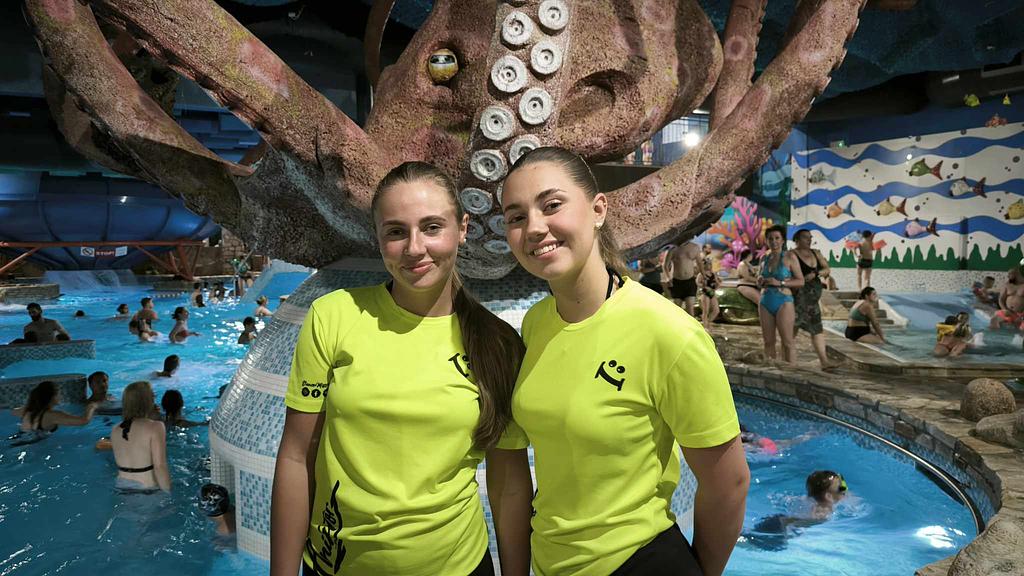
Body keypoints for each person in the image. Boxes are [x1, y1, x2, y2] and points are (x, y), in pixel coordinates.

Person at [271, 162, 532, 576]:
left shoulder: (498, 344)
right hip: (337, 566)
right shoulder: (334, 316)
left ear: (462, 229)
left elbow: (510, 487)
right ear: (378, 238)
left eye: (432, 227)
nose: (414, 248)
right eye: (396, 232)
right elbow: (295, 456)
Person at [501, 147, 749, 576]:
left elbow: (730, 483)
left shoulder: (668, 333)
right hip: (553, 560)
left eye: (552, 205)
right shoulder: (537, 323)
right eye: (516, 217)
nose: (535, 227)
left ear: (598, 210)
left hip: (637, 561)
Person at [110, 381, 171, 493]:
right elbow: (160, 466)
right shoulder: (156, 427)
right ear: (147, 401)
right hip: (147, 489)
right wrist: (168, 493)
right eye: (152, 396)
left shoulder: (115, 429)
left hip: (121, 487)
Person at [791, 229, 838, 370]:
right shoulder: (791, 255)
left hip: (812, 302)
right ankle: (787, 361)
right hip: (796, 300)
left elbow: (827, 269)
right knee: (791, 331)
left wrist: (815, 273)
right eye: (806, 237)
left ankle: (824, 362)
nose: (809, 240)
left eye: (810, 237)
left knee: (817, 330)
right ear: (797, 239)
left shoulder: (816, 253)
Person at [758, 226, 805, 365]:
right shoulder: (764, 258)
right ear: (766, 241)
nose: (774, 241)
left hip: (783, 301)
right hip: (765, 301)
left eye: (777, 238)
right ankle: (771, 372)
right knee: (768, 342)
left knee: (787, 342)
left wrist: (780, 283)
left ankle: (791, 372)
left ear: (783, 240)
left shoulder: (790, 257)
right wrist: (759, 280)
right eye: (770, 238)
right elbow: (759, 277)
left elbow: (800, 281)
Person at [10, 380, 99, 446]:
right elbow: (84, 421)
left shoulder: (27, 410)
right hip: (30, 447)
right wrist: (92, 407)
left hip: (17, 441)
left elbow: (13, 412)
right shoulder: (53, 415)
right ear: (52, 397)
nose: (60, 396)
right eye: (58, 393)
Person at [667, 241, 704, 316]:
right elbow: (665, 265)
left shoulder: (694, 247)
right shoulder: (673, 249)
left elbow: (699, 263)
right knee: (677, 309)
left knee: (690, 309)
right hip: (677, 281)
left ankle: (691, 323)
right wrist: (668, 278)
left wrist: (704, 275)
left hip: (690, 281)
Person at [990, 266, 1024, 331]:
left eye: (1010, 274)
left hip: (1021, 314)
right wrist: (1005, 309)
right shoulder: (1007, 285)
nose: (1008, 276)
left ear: (1017, 274)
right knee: (994, 320)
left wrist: (1022, 316)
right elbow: (1001, 299)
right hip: (1008, 312)